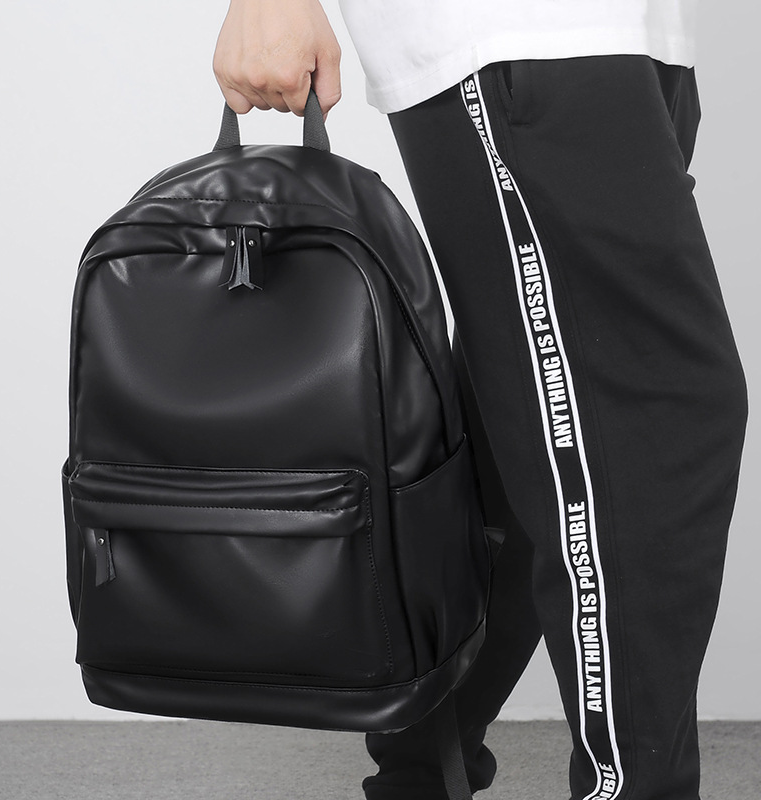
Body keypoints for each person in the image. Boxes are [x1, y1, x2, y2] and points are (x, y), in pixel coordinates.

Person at [212, 2, 749, 798]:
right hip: (515, 34)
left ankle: (423, 769)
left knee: (548, 416)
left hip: (634, 35)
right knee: (653, 424)